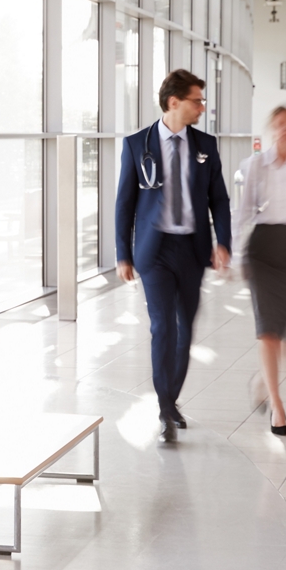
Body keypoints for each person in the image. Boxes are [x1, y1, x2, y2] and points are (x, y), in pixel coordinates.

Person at [115, 69, 232, 443]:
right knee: (162, 327)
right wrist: (123, 254)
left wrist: (223, 242)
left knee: (185, 331)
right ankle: (166, 408)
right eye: (197, 100)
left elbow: (219, 200)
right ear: (173, 102)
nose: (202, 107)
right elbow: (124, 204)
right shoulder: (137, 144)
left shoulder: (205, 145)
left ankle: (170, 399)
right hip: (155, 251)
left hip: (192, 249)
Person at [233, 107, 286, 435]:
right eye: (278, 125)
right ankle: (277, 408)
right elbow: (242, 211)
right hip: (262, 250)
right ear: (271, 130)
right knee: (268, 329)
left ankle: (261, 381)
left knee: (283, 335)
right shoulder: (256, 165)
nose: (284, 130)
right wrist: (237, 253)